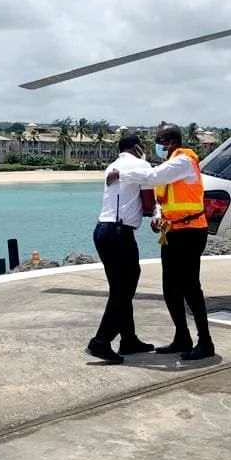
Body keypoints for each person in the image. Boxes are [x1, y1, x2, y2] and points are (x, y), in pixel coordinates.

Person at [108, 123, 214, 361]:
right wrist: (157, 216)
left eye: (160, 139)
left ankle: (205, 341)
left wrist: (121, 174)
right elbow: (160, 200)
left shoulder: (184, 160)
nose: (157, 144)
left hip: (191, 231)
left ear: (171, 141)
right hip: (172, 232)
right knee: (170, 288)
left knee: (190, 287)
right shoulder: (169, 167)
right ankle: (182, 337)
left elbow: (154, 176)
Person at [87, 132, 155, 365]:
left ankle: (128, 339)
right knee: (124, 289)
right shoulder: (141, 165)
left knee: (119, 287)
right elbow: (148, 205)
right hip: (120, 233)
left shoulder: (112, 167)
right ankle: (101, 341)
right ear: (137, 148)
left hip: (102, 231)